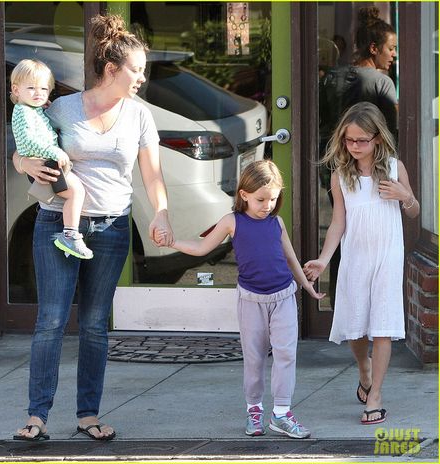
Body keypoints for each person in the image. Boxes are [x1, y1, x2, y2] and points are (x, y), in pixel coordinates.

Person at [12, 14, 174, 441]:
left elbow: (153, 175)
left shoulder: (140, 117)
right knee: (50, 320)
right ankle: (36, 417)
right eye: (135, 70)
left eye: (142, 70)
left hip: (112, 227)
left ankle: (87, 416)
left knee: (96, 324)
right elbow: (27, 144)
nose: (141, 78)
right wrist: (22, 162)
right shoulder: (62, 108)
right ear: (111, 70)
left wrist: (161, 211)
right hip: (57, 225)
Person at [159, 159, 324, 438]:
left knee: (286, 354)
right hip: (251, 301)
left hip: (283, 296)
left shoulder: (277, 222)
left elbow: (290, 257)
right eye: (261, 199)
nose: (267, 205)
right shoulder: (232, 221)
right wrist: (172, 242)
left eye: (273, 199)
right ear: (244, 194)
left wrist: (306, 285)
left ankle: (281, 413)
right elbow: (202, 247)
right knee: (254, 358)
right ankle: (254, 410)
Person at [304, 102, 419, 425]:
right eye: (348, 140)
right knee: (356, 325)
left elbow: (414, 211)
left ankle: (376, 395)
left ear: (378, 139)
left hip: (387, 256)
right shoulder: (341, 175)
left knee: (382, 326)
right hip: (355, 256)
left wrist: (404, 196)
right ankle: (364, 368)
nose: (354, 146)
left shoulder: (395, 168)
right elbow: (338, 222)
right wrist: (325, 260)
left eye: (361, 140)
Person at [319, 5, 399, 307]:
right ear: (374, 48)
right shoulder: (381, 83)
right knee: (368, 235)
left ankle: (343, 299)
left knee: (342, 225)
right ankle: (371, 301)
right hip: (370, 169)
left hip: (334, 164)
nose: (393, 55)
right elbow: (392, 132)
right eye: (391, 49)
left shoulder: (332, 77)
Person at [10, 59, 93, 259]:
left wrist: (42, 110)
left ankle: (70, 234)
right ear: (16, 89)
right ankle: (70, 234)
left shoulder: (31, 110)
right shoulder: (22, 112)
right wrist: (55, 152)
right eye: (31, 88)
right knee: (76, 191)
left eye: (44, 89)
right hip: (43, 163)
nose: (38, 93)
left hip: (45, 162)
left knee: (74, 191)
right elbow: (28, 140)